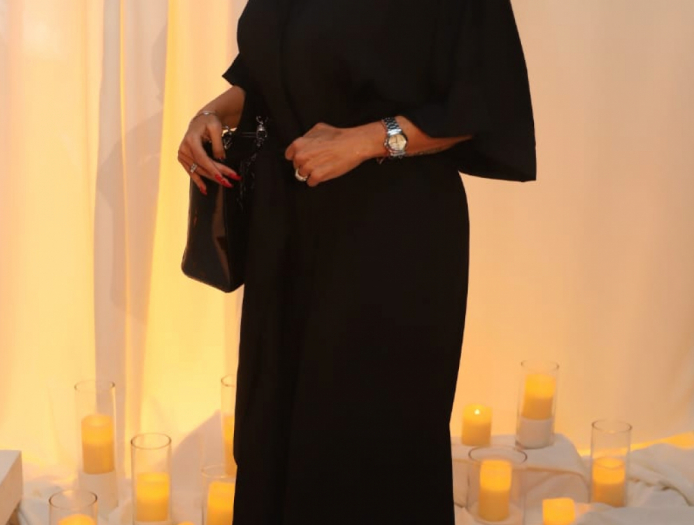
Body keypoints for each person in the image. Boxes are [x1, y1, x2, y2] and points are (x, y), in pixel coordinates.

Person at [177, 0, 535, 523]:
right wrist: (207, 116)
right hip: (287, 227)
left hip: (388, 236)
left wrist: (367, 141)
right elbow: (272, 71)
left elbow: (481, 98)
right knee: (272, 425)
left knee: (364, 439)